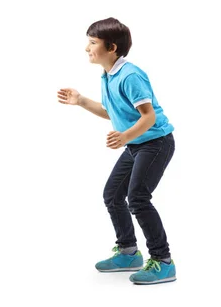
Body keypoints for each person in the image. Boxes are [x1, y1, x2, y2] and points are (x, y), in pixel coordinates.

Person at [57, 18, 176, 285]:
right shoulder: (108, 75)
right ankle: (128, 252)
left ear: (111, 47)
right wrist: (81, 101)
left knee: (138, 198)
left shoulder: (130, 75)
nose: (87, 48)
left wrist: (124, 136)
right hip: (136, 144)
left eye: (92, 42)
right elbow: (112, 112)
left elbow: (148, 118)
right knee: (112, 195)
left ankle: (164, 261)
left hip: (155, 143)